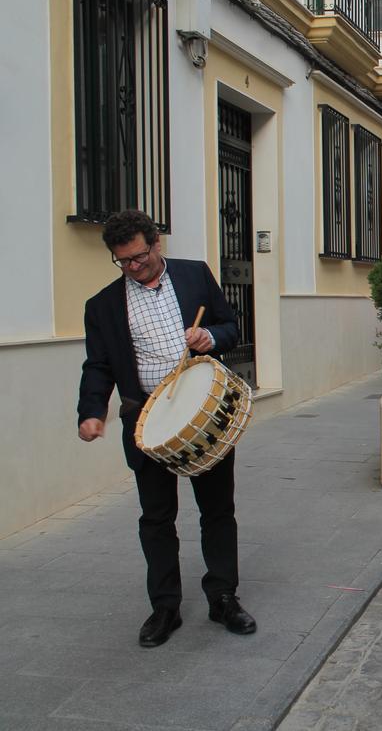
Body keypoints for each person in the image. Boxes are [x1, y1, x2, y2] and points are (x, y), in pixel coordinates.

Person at [77, 210, 256, 648]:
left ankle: (223, 596)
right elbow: (98, 365)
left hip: (201, 412)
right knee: (156, 517)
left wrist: (209, 339)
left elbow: (232, 328)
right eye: (123, 262)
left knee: (217, 510)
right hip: (147, 419)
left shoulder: (194, 276)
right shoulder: (102, 305)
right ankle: (165, 607)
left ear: (156, 243)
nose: (133, 268)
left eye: (139, 258)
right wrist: (91, 411)